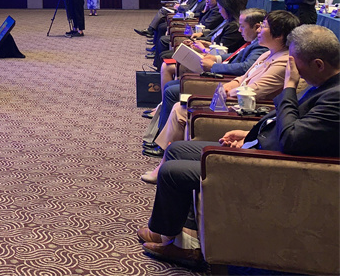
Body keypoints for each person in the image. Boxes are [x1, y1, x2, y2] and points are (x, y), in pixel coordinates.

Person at [137, 24, 340, 269]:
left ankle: (176, 243)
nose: (292, 70)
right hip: (263, 147)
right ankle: (183, 231)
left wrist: (289, 86)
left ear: (318, 64)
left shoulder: (335, 97)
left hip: (271, 167)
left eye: (295, 64)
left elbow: (293, 138)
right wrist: (249, 133)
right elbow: (289, 122)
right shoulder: (324, 84)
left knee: (172, 172)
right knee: (177, 150)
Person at [141, 10, 300, 175]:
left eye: (264, 26)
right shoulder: (268, 53)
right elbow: (243, 78)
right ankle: (165, 157)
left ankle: (164, 160)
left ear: (279, 35)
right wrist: (229, 86)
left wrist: (229, 91)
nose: (259, 29)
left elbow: (254, 90)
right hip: (233, 99)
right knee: (179, 106)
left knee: (180, 109)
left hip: (247, 108)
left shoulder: (283, 62)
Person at [134, 0, 207, 38]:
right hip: (183, 14)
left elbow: (190, 10)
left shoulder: (201, 0)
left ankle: (151, 31)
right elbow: (187, 4)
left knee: (162, 21)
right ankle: (152, 34)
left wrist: (180, 7)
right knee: (161, 21)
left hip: (187, 18)